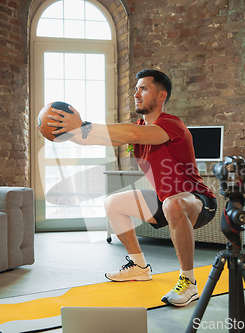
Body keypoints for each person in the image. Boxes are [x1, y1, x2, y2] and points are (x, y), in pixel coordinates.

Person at [47, 69, 217, 307]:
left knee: (173, 202)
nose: (136, 93)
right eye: (136, 88)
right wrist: (66, 131)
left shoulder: (171, 124)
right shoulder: (138, 127)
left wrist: (83, 125)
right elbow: (99, 138)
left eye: (143, 88)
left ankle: (188, 283)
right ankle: (138, 266)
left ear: (161, 96)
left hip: (198, 201)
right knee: (113, 203)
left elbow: (134, 133)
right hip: (164, 199)